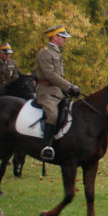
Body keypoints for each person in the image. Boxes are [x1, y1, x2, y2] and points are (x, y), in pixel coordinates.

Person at [35, 25, 80, 161]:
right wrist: (69, 86)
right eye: (63, 37)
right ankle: (46, 147)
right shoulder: (45, 53)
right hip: (46, 92)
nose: (65, 40)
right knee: (53, 115)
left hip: (58, 92)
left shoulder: (56, 53)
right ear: (55, 37)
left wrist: (69, 89)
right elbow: (50, 75)